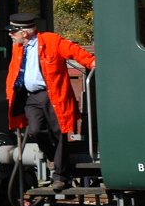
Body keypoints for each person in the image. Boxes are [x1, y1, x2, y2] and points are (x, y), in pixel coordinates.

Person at [5, 13, 94, 192]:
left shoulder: (52, 41)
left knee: (59, 132)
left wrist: (93, 63)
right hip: (31, 97)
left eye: (13, 31)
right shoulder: (18, 48)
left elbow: (75, 51)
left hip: (54, 95)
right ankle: (55, 160)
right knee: (36, 130)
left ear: (25, 32)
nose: (10, 34)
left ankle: (60, 176)